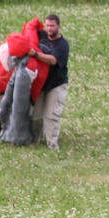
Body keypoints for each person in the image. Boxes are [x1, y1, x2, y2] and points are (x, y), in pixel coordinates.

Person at [29, 14, 69, 151]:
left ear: (58, 26)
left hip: (57, 85)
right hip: (41, 85)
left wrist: (34, 54)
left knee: (51, 115)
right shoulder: (42, 36)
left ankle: (53, 146)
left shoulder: (63, 45)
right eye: (47, 25)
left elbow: (52, 60)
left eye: (52, 25)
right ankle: (35, 141)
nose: (49, 28)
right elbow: (28, 35)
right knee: (35, 115)